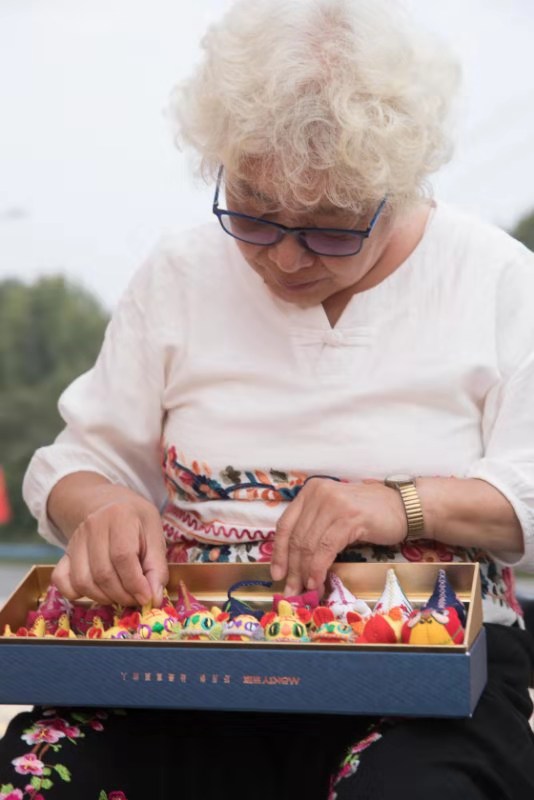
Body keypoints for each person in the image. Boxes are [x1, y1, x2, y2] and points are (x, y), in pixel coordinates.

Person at [2, 0, 534, 797]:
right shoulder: (180, 273)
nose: (284, 258)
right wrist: (102, 509)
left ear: (398, 186)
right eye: (252, 214)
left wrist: (393, 507)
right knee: (36, 781)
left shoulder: (495, 279)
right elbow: (75, 465)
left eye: (329, 227)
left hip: (423, 671)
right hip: (183, 663)